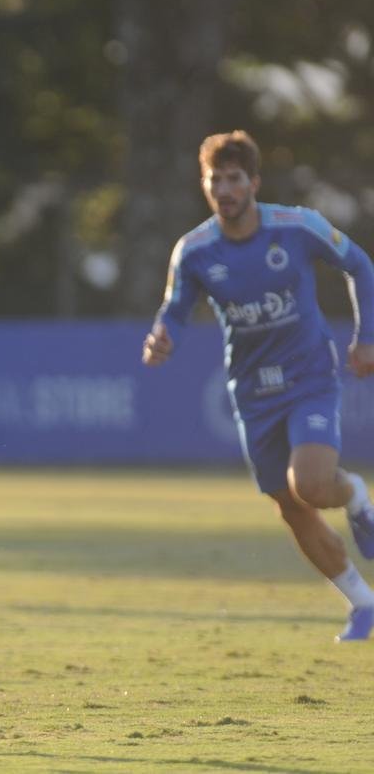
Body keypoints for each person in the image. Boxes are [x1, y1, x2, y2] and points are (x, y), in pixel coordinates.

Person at [143, 130, 374, 642]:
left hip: (308, 376)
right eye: (214, 180)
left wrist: (367, 337)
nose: (223, 189)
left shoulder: (296, 226)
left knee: (310, 484)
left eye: (233, 179)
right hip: (251, 393)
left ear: (253, 183)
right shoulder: (195, 250)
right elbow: (176, 311)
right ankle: (362, 601)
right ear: (205, 186)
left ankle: (356, 494)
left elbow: (360, 265)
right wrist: (162, 337)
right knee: (291, 508)